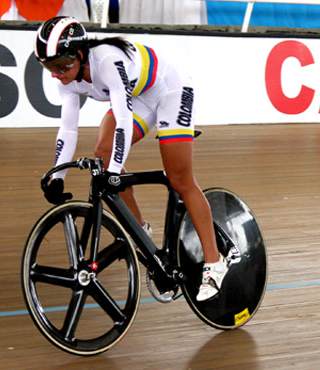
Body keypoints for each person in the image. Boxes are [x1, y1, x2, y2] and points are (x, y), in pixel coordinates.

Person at [34, 16, 228, 301]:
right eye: (49, 67)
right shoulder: (67, 76)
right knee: (103, 151)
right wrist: (57, 176)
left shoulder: (106, 62)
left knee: (179, 179)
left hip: (171, 91)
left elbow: (123, 120)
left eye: (61, 66)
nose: (56, 74)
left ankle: (214, 262)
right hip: (140, 96)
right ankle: (141, 230)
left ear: (79, 54)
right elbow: (68, 128)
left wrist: (115, 171)